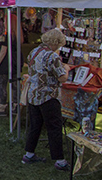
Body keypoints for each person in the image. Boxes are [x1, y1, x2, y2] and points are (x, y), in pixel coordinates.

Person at [23, 28, 71, 171]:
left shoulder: (34, 52)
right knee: (54, 127)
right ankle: (60, 160)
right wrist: (66, 68)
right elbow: (62, 77)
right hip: (48, 95)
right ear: (57, 43)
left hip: (33, 94)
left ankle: (29, 153)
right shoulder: (52, 56)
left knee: (35, 125)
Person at [0, 15, 22, 116]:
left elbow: (3, 51)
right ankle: (16, 105)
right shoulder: (18, 35)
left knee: (3, 85)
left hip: (6, 62)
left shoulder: (6, 35)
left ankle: (2, 106)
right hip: (16, 61)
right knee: (15, 85)